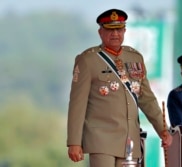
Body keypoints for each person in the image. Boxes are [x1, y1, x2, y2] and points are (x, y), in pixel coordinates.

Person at [67, 8, 172, 167]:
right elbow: (77, 104)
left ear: (124, 31)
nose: (115, 34)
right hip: (101, 139)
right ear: (100, 32)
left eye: (118, 29)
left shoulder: (135, 58)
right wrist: (74, 142)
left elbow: (146, 99)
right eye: (109, 30)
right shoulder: (88, 60)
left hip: (129, 139)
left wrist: (162, 129)